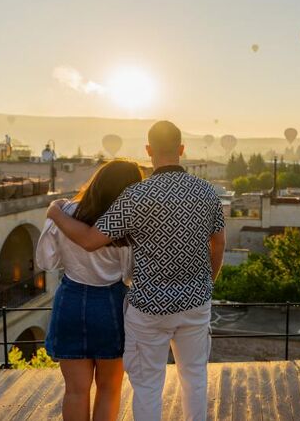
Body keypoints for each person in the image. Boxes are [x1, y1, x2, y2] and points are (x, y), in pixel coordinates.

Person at [47, 120, 226, 421]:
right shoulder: (207, 192)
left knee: (147, 385)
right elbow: (218, 244)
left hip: (149, 308)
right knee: (195, 376)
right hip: (196, 302)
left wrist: (55, 212)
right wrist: (208, 281)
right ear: (182, 149)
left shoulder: (136, 196)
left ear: (149, 150)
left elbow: (91, 241)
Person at [37, 159, 144, 421]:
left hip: (70, 301)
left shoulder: (66, 211)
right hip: (110, 304)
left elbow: (46, 261)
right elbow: (129, 274)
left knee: (75, 390)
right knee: (109, 388)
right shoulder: (125, 221)